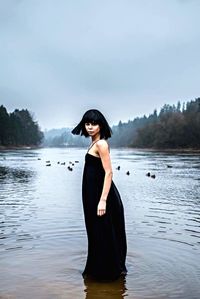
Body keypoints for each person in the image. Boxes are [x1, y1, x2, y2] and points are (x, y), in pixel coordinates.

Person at [71, 109, 127, 281]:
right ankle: (99, 272)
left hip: (102, 198)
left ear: (100, 125)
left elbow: (109, 173)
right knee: (96, 233)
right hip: (93, 196)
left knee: (103, 233)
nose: (90, 127)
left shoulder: (101, 144)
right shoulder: (93, 143)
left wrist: (102, 201)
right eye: (87, 123)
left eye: (93, 124)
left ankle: (107, 274)